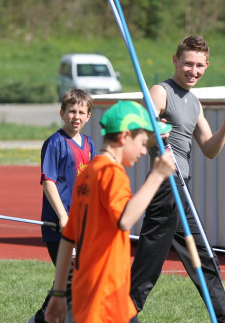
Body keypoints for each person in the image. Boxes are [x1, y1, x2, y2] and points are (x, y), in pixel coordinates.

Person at [130, 35, 225, 323]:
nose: (193, 71)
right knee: (148, 266)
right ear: (176, 60)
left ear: (207, 66)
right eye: (188, 63)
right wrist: (155, 130)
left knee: (204, 259)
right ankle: (120, 314)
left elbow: (209, 149)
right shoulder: (160, 91)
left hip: (182, 188)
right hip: (166, 186)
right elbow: (138, 131)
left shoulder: (194, 102)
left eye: (199, 65)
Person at [44, 100, 175, 323]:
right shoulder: (113, 174)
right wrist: (157, 176)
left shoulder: (88, 172)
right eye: (143, 143)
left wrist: (58, 291)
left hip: (91, 291)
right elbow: (125, 220)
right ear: (124, 137)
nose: (144, 151)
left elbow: (68, 238)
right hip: (106, 297)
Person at [29, 88, 96, 323]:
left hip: (81, 225)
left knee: (73, 280)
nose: (76, 116)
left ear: (88, 116)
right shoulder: (55, 143)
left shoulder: (89, 144)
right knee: (70, 279)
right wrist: (63, 216)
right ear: (62, 113)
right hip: (59, 226)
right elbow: (48, 181)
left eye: (81, 112)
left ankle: (42, 319)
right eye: (71, 111)